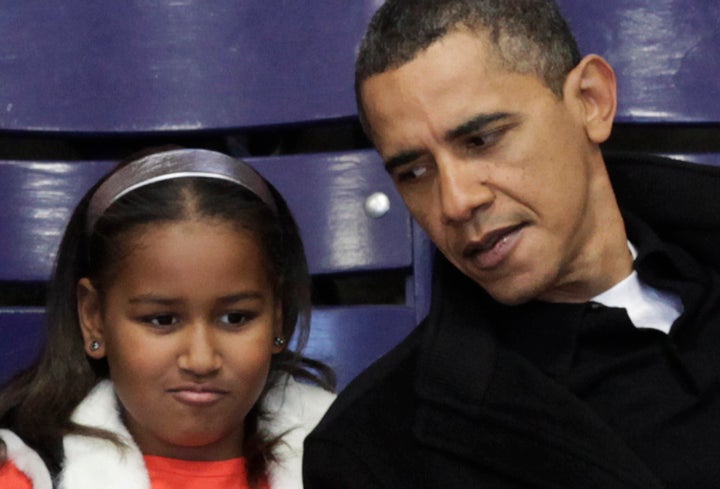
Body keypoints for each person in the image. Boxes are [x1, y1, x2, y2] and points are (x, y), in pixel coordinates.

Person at [303, 0, 720, 487]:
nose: (456, 202)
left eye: (482, 140)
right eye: (414, 172)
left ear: (590, 101)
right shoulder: (376, 449)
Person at [0, 148, 336, 488]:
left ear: (277, 315)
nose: (202, 360)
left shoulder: (346, 455)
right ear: (93, 318)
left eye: (236, 318)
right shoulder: (28, 474)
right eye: (162, 320)